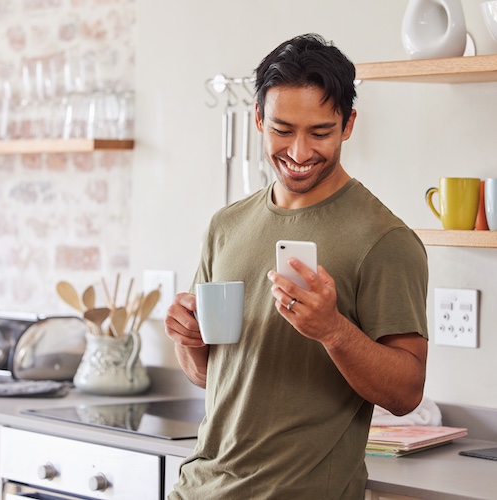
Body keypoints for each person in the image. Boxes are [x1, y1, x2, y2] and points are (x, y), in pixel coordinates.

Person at [165, 33, 428, 500]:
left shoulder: (385, 240)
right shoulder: (226, 225)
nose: (300, 152)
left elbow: (406, 394)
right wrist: (186, 340)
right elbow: (214, 375)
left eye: (320, 132)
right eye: (282, 130)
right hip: (200, 489)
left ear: (348, 124)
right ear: (258, 119)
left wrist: (333, 330)